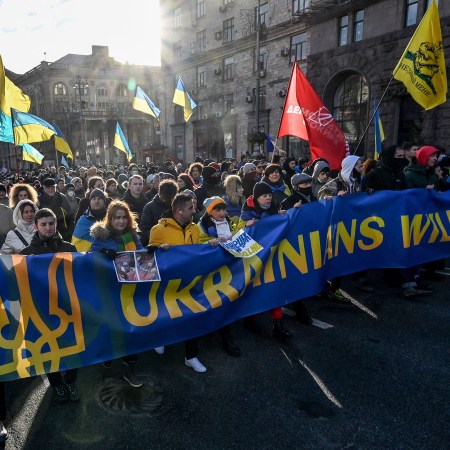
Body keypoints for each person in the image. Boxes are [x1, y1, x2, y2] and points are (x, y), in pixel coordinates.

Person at [20, 209, 80, 402]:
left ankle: (70, 381)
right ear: (36, 226)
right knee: (48, 349)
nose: (48, 227)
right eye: (43, 224)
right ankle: (56, 384)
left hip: (68, 307)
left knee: (72, 345)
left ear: (55, 224)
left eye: (51, 223)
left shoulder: (69, 248)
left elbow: (81, 275)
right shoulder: (26, 255)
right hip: (41, 311)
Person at [149, 193, 214, 372]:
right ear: (179, 211)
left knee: (193, 316)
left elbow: (199, 248)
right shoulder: (159, 229)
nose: (195, 210)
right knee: (166, 313)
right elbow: (150, 255)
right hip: (168, 284)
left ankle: (191, 356)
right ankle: (160, 337)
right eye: (191, 208)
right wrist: (159, 249)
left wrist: (212, 244)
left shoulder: (194, 228)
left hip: (190, 280)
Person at [90, 200, 144, 387]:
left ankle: (130, 369)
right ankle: (107, 363)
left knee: (131, 329)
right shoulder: (101, 238)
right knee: (111, 328)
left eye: (123, 217)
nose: (120, 221)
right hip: (109, 291)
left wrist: (150, 251)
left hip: (130, 291)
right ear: (110, 219)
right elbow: (90, 261)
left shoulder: (133, 236)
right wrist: (103, 255)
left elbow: (141, 257)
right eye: (116, 218)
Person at [239, 182, 292, 341]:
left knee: (275, 287)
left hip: (272, 256)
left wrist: (284, 215)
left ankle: (278, 324)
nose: (268, 198)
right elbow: (237, 233)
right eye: (264, 196)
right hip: (254, 259)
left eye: (269, 195)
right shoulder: (246, 213)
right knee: (253, 289)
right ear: (256, 198)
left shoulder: (274, 210)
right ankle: (249, 319)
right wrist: (246, 227)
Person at [140, 179, 178, 246]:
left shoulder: (176, 206)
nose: (168, 201)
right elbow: (145, 230)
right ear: (160, 193)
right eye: (166, 198)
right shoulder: (149, 207)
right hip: (158, 245)